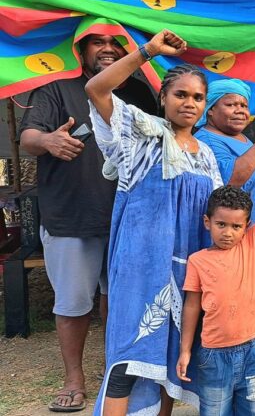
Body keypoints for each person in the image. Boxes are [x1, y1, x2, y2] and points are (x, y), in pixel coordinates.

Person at [85, 30, 223, 416]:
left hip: (187, 269)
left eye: (198, 97)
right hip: (141, 266)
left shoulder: (207, 156)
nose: (190, 103)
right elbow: (97, 90)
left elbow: (215, 217)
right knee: (130, 357)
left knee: (171, 359)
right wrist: (147, 51)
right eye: (181, 94)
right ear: (163, 98)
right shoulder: (140, 135)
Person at [19, 33, 157, 413]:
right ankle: (74, 380)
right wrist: (48, 141)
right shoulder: (57, 89)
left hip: (129, 217)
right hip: (71, 216)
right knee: (74, 304)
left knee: (121, 298)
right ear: (80, 50)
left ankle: (117, 370)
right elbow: (28, 136)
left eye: (116, 41)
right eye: (97, 42)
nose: (108, 48)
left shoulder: (143, 94)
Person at [176, 148, 255, 416]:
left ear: (246, 227)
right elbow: (191, 307)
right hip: (213, 355)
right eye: (221, 224)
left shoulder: (252, 243)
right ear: (207, 222)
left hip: (254, 348)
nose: (228, 233)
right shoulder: (197, 261)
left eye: (236, 227)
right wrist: (185, 351)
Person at [195, 78, 255, 221]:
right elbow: (227, 184)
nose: (240, 111)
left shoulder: (241, 137)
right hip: (237, 234)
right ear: (210, 109)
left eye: (244, 106)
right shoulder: (207, 140)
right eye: (231, 105)